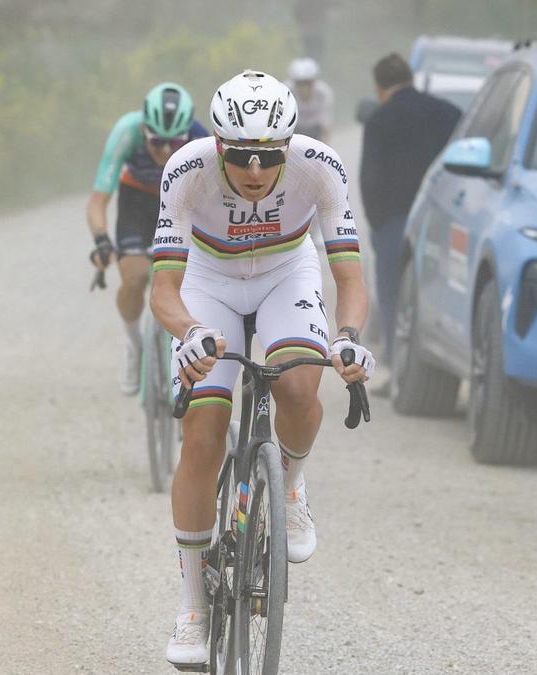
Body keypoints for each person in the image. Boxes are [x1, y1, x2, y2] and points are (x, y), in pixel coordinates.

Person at [151, 69, 374, 666]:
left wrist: (348, 339)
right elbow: (164, 290)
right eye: (243, 155)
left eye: (269, 155)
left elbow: (349, 277)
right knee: (201, 436)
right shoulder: (187, 169)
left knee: (302, 387)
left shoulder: (319, 166)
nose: (255, 170)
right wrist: (190, 333)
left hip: (285, 273)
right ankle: (193, 607)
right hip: (209, 280)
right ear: (219, 146)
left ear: (289, 146)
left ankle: (291, 483)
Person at [88, 83, 209, 395]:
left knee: (186, 283)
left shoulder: (202, 138)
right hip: (138, 202)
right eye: (157, 142)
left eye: (175, 142)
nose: (166, 151)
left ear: (187, 133)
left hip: (181, 204)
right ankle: (133, 345)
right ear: (144, 130)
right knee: (136, 276)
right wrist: (102, 241)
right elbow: (98, 199)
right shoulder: (126, 132)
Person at [359, 53, 460, 395]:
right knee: (435, 293)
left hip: (395, 221)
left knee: (392, 296)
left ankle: (400, 373)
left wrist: (376, 223)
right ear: (410, 78)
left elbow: (369, 178)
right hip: (441, 220)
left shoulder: (380, 119)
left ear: (380, 87)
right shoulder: (449, 114)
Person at [285, 57, 334, 143]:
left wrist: (325, 146)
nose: (304, 88)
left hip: (315, 129)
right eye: (300, 83)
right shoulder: (286, 92)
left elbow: (326, 120)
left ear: (314, 81)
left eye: (307, 83)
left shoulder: (323, 93)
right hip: (294, 129)